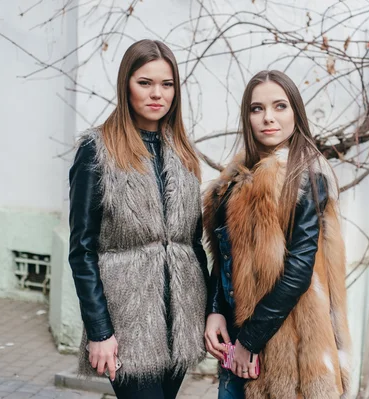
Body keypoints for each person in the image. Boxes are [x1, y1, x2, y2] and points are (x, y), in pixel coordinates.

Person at [68, 39, 208, 399]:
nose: (157, 94)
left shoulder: (184, 152)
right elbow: (82, 250)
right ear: (125, 85)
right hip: (128, 322)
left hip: (182, 321)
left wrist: (208, 315)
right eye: (144, 82)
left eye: (167, 84)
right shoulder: (97, 150)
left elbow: (192, 245)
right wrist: (99, 331)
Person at [203, 70, 352, 399]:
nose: (268, 117)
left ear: (296, 113)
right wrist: (215, 309)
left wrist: (249, 341)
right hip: (236, 345)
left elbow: (298, 273)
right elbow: (226, 256)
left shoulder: (306, 178)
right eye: (257, 109)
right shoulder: (236, 180)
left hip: (289, 354)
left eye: (279, 106)